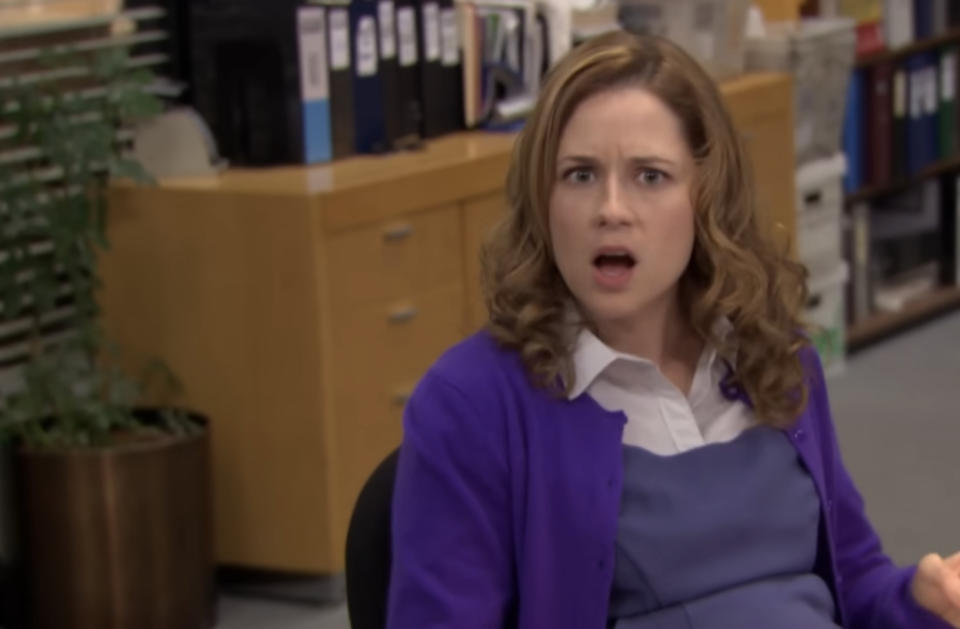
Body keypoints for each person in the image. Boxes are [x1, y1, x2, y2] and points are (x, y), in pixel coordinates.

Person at [386, 31, 960, 628]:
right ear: (542, 197)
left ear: (705, 197)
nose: (611, 208)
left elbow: (854, 580)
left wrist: (919, 601)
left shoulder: (772, 355)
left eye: (649, 176)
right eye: (580, 175)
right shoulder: (470, 403)